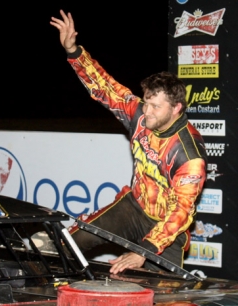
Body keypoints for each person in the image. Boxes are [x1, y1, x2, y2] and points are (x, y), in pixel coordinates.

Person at [50, 10, 207, 274]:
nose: (147, 112)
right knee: (70, 243)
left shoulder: (189, 155)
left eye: (157, 107)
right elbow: (105, 87)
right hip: (134, 207)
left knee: (167, 294)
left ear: (176, 108)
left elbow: (180, 211)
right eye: (147, 103)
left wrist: (143, 251)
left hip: (166, 227)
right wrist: (73, 51)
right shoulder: (139, 114)